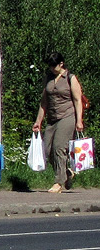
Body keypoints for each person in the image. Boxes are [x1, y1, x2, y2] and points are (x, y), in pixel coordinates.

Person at [32, 51, 85, 193]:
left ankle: (59, 182)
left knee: (59, 147)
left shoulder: (70, 78)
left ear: (61, 64)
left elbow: (78, 100)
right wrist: (38, 121)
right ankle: (67, 173)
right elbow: (44, 102)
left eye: (54, 65)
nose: (51, 68)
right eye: (50, 66)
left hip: (67, 116)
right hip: (52, 118)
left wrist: (79, 121)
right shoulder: (49, 78)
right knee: (47, 150)